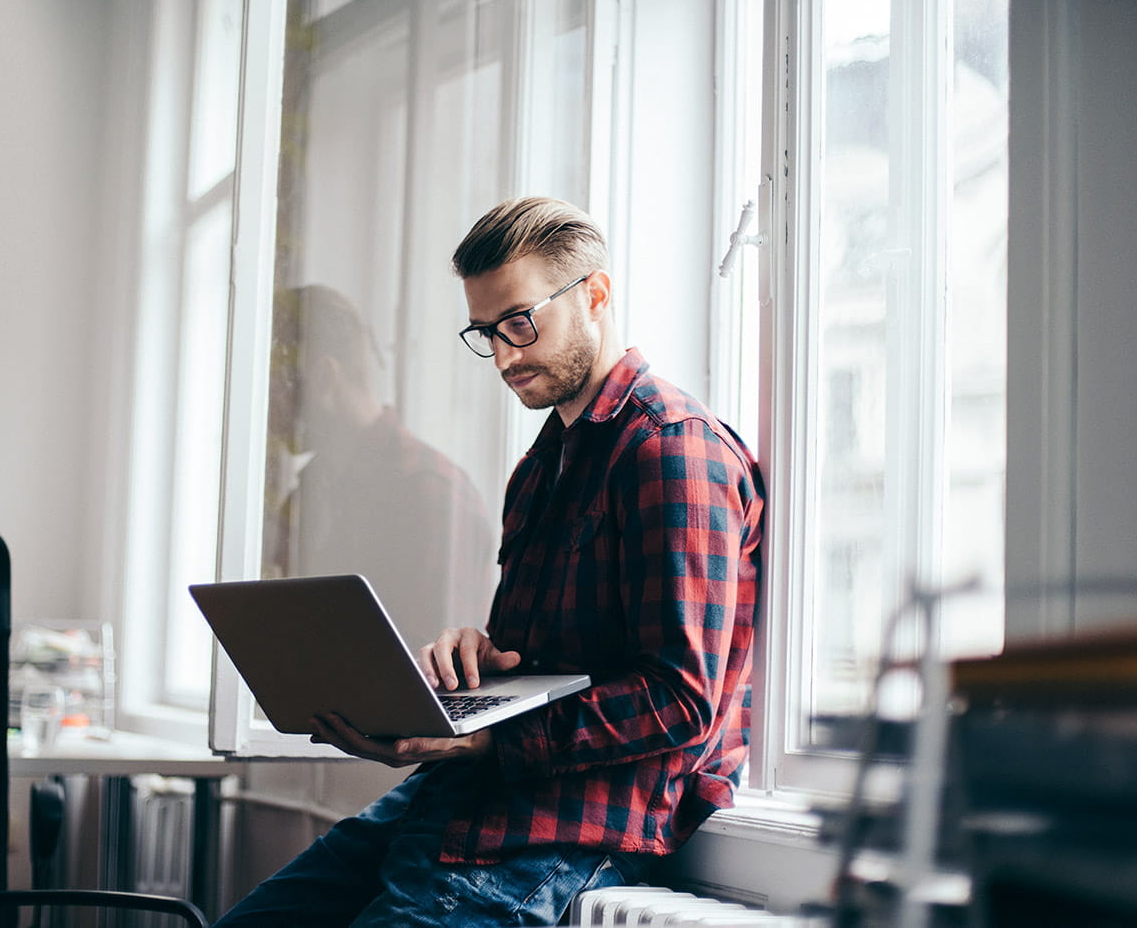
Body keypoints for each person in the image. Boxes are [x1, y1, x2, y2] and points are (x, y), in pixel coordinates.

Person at [214, 197, 765, 927]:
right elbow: (549, 662)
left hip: (561, 829)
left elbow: (680, 698)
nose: (504, 355)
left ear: (595, 294)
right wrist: (480, 663)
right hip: (455, 799)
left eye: (520, 322)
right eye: (485, 332)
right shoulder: (540, 467)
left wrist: (482, 733)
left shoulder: (672, 449)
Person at [265, 285, 494, 647]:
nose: (265, 415)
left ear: (323, 377)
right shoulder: (311, 491)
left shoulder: (431, 494)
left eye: (271, 390)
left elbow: (434, 680)